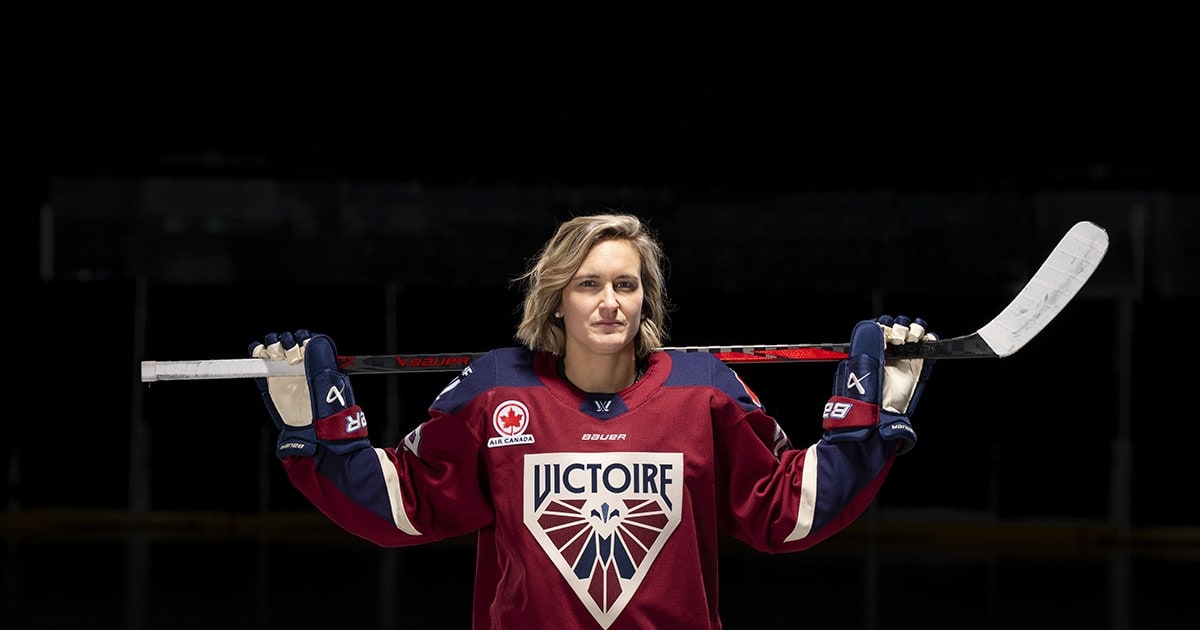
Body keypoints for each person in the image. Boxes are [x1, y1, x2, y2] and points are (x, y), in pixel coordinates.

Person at [249, 212, 938, 630]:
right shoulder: (495, 390)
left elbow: (782, 509)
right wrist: (319, 434)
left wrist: (868, 420)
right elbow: (409, 503)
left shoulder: (703, 391)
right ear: (557, 300)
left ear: (645, 300)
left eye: (625, 284)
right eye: (589, 284)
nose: (609, 302)